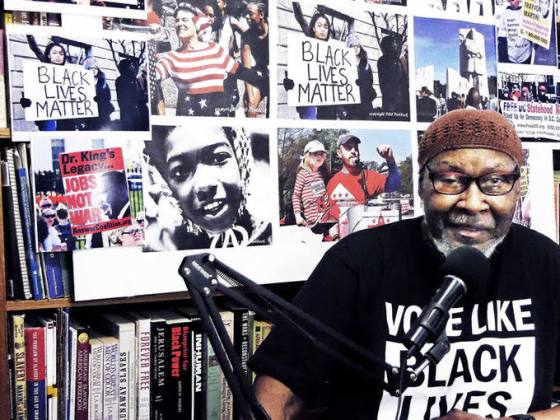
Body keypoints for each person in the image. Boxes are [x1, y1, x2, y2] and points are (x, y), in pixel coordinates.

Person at [249, 109, 560, 419]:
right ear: (422, 184)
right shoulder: (358, 260)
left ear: (517, 189)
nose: (473, 203)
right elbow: (277, 391)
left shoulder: (545, 261)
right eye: (450, 180)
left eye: (495, 181)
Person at [145, 125, 272, 250]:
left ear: (241, 160)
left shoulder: (271, 236)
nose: (204, 184)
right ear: (167, 186)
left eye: (219, 158)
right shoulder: (164, 248)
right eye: (180, 172)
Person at [155, 4, 265, 117]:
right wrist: (161, 114)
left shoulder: (215, 50)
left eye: (185, 19)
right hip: (187, 124)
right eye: (177, 20)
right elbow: (151, 77)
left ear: (196, 24)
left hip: (217, 123)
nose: (179, 23)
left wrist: (265, 82)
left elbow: (240, 71)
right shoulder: (173, 57)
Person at [326, 133, 401, 236]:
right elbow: (328, 216)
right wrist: (331, 229)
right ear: (339, 153)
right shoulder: (332, 182)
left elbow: (395, 184)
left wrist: (390, 160)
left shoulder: (368, 176)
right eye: (348, 147)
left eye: (356, 147)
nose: (354, 151)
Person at [292, 140, 331, 231]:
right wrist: (298, 216)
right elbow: (296, 195)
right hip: (313, 219)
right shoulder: (303, 174)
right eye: (315, 153)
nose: (319, 156)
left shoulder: (323, 174)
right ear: (307, 156)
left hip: (326, 215)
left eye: (321, 154)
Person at [241, 2, 269, 117]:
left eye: (250, 13)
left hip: (275, 76)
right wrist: (251, 99)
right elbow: (246, 69)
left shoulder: (273, 30)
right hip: (261, 73)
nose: (246, 16)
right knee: (248, 103)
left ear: (261, 14)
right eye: (245, 13)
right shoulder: (247, 36)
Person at [344, 33, 376, 120]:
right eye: (353, 46)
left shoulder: (366, 65)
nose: (356, 48)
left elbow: (370, 83)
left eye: (358, 46)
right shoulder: (344, 65)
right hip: (351, 107)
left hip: (366, 106)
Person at [83, 57, 114, 130]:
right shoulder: (83, 84)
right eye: (91, 68)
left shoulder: (104, 84)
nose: (94, 70)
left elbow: (108, 99)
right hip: (90, 117)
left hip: (103, 117)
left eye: (95, 68)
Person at [498, 0, 532, 64]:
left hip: (526, 56)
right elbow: (502, 38)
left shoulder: (526, 12)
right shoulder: (504, 14)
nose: (512, 2)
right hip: (511, 57)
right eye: (511, 0)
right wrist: (503, 59)